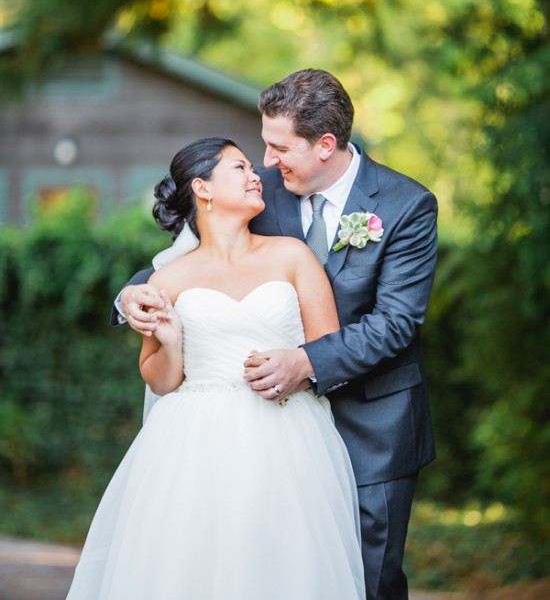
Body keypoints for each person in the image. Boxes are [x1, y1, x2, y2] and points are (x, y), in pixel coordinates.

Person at [116, 69, 438, 600]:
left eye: (278, 146)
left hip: (372, 426)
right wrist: (128, 297)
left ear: (325, 145)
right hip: (260, 437)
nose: (266, 161)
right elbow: (181, 263)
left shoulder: (406, 206)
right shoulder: (255, 190)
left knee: (369, 580)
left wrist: (306, 362)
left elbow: (395, 323)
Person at [68, 137, 365, 600]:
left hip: (288, 438)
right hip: (192, 447)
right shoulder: (168, 279)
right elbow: (161, 380)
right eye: (239, 167)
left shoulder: (291, 255)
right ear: (202, 189)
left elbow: (331, 350)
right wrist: (169, 343)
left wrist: (298, 368)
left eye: (252, 167)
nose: (255, 176)